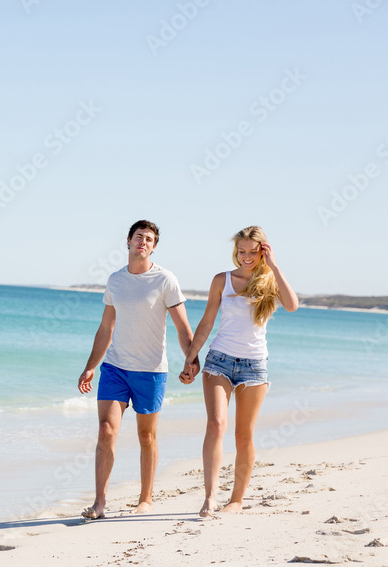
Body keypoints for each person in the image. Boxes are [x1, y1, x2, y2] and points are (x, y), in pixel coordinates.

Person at [78, 220, 196, 519]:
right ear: (128, 241)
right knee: (106, 430)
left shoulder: (165, 280)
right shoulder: (116, 280)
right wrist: (91, 366)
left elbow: (183, 327)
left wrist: (191, 361)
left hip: (151, 371)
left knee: (147, 436)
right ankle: (100, 502)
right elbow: (106, 327)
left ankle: (146, 499)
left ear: (154, 246)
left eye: (149, 239)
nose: (143, 242)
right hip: (115, 367)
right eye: (138, 237)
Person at [181, 225, 298, 517]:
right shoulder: (222, 280)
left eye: (252, 251)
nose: (246, 257)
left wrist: (274, 266)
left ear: (263, 251)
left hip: (254, 365)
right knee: (216, 424)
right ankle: (210, 498)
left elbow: (293, 306)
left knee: (244, 435)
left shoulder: (270, 281)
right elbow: (207, 322)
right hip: (218, 360)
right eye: (241, 251)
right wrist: (190, 359)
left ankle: (236, 500)